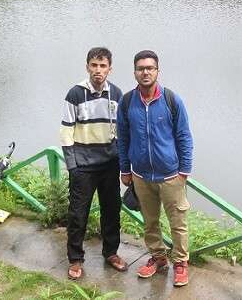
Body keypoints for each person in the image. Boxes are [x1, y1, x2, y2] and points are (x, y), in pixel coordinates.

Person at [117, 50, 194, 287]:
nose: (145, 72)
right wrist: (125, 169)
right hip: (141, 176)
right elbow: (123, 137)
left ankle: (180, 263)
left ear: (157, 71)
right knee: (150, 222)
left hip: (171, 175)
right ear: (135, 73)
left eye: (150, 68)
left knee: (177, 223)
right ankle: (158, 258)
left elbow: (184, 136)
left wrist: (184, 170)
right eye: (141, 68)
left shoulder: (172, 100)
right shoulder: (128, 101)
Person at [60, 47, 128, 280]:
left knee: (112, 211)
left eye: (103, 66)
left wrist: (123, 162)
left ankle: (111, 253)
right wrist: (73, 166)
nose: (98, 71)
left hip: (110, 164)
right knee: (78, 214)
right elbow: (66, 132)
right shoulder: (75, 94)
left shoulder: (117, 94)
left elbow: (122, 131)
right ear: (87, 66)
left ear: (110, 68)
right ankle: (76, 258)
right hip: (83, 167)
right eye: (94, 65)